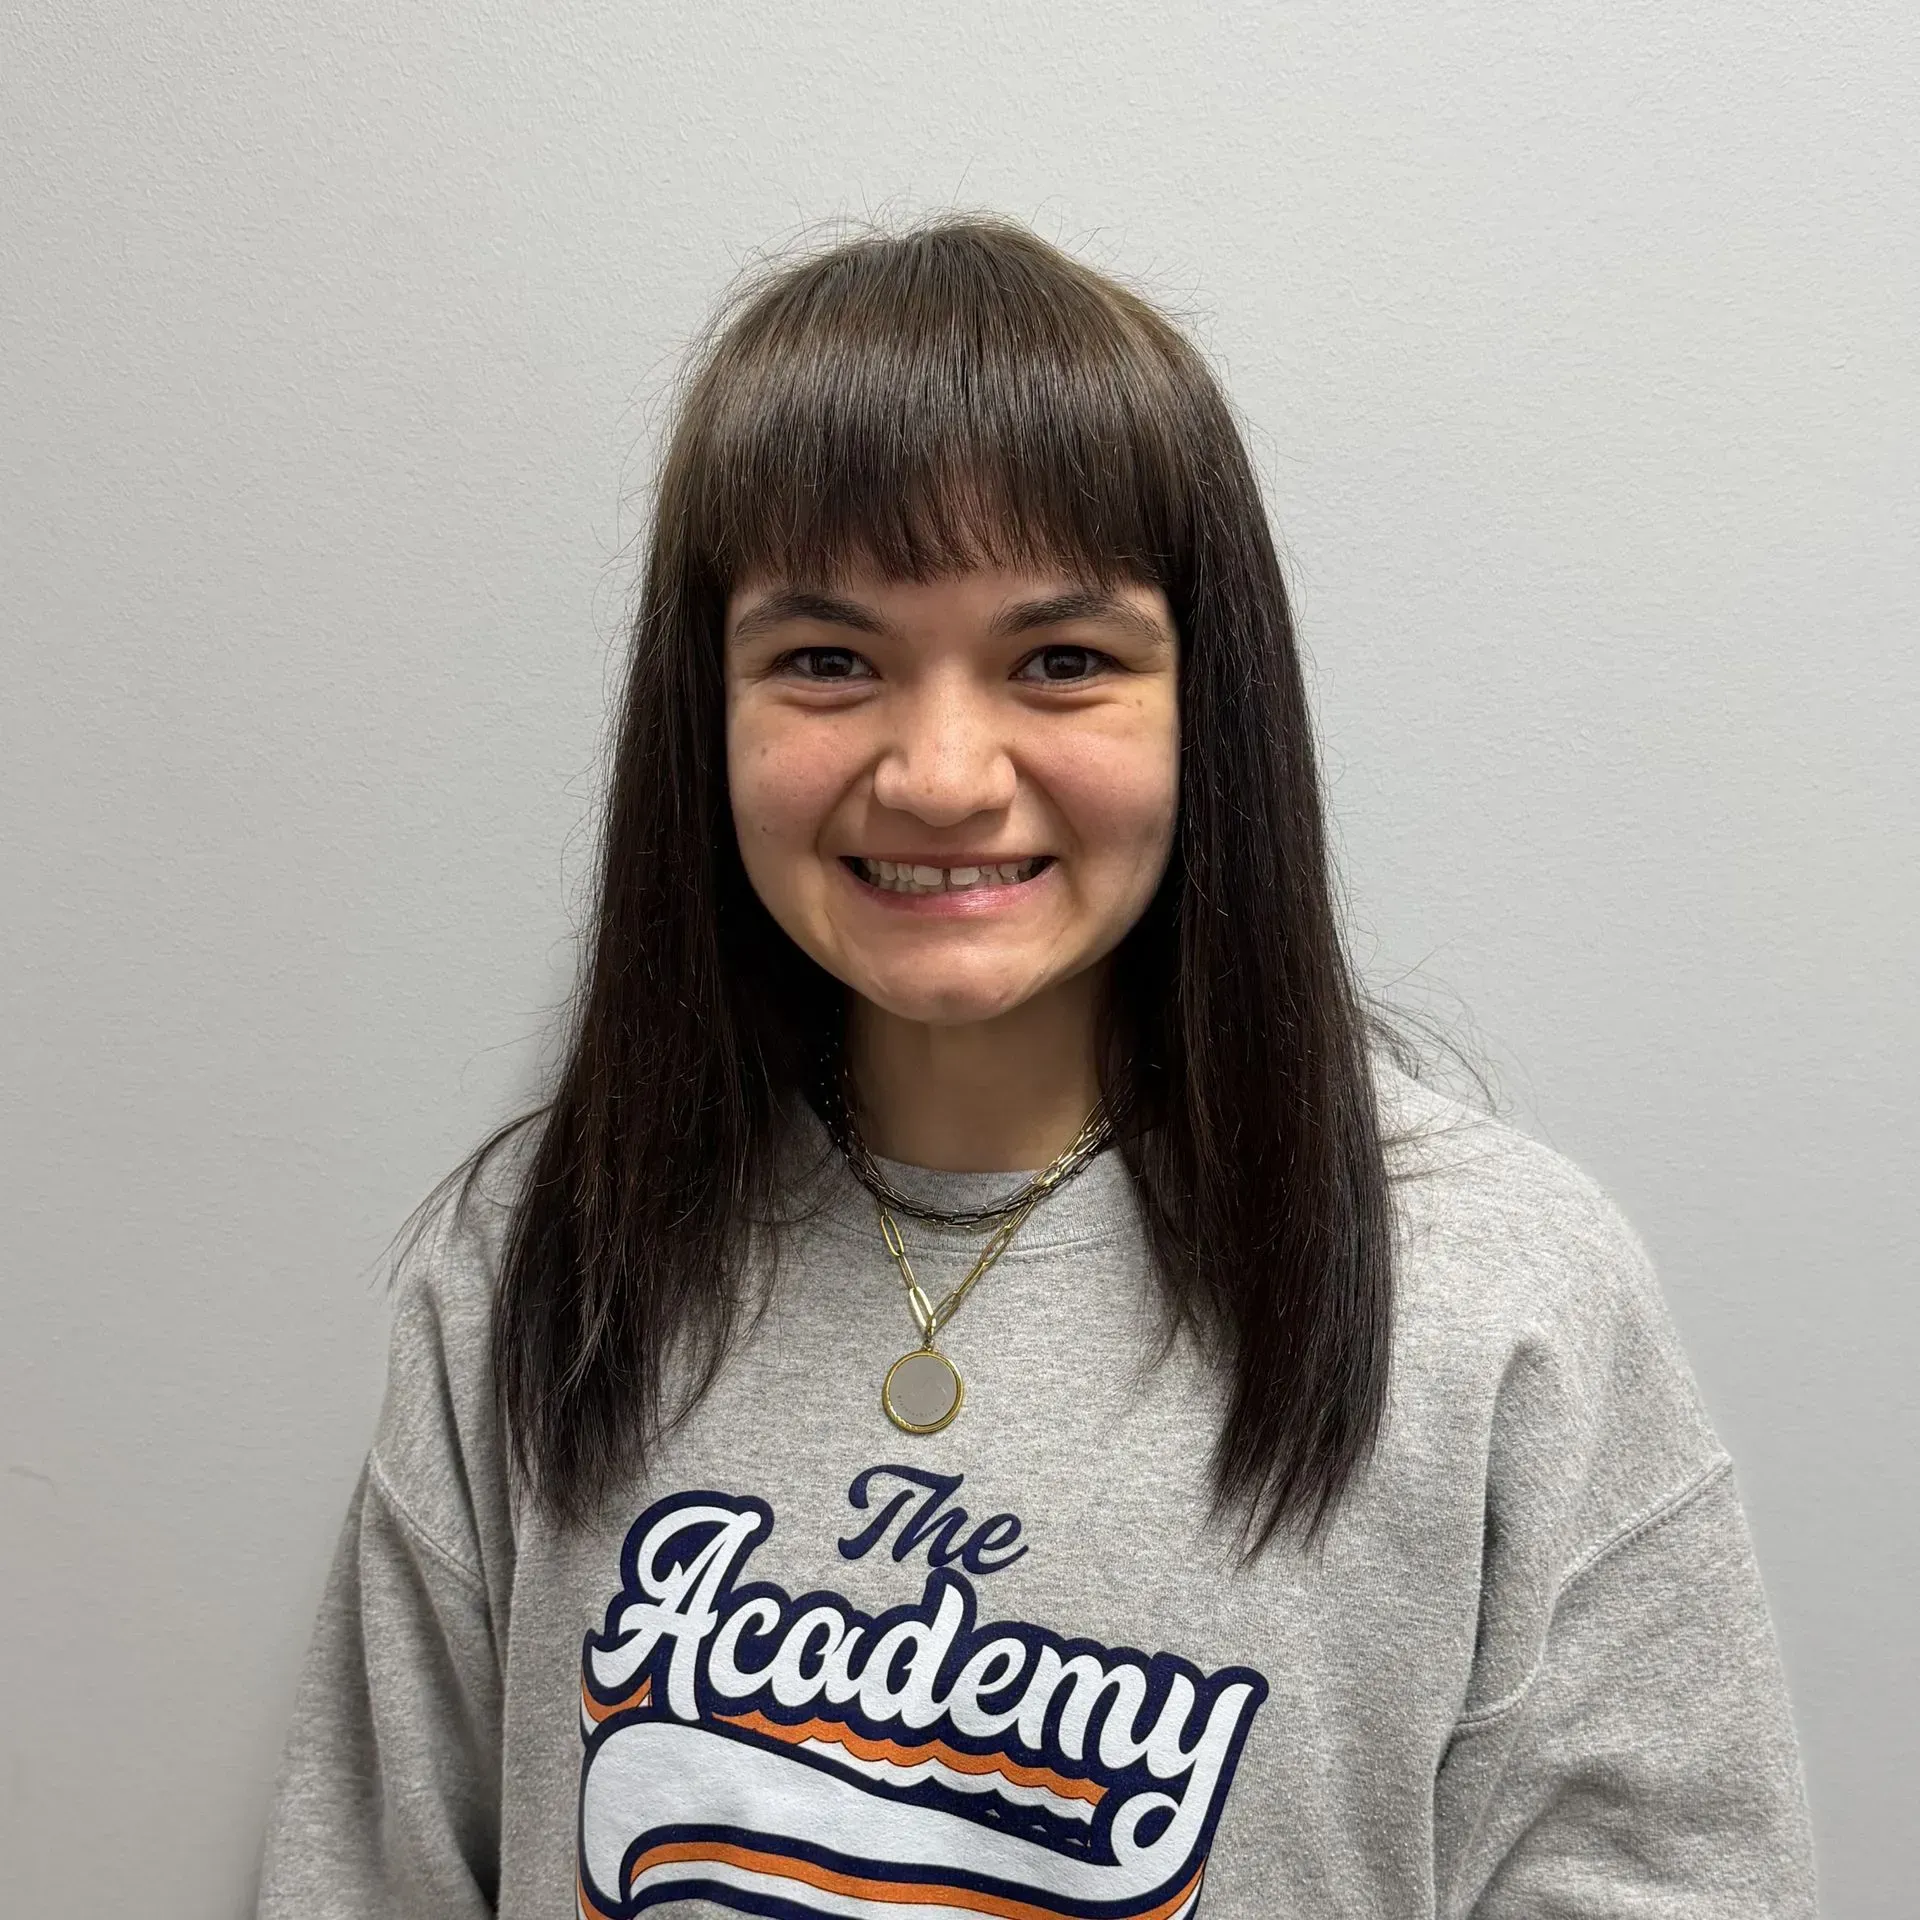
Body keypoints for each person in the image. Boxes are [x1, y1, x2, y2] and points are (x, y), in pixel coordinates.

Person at [254, 212, 1817, 1919]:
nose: (938, 771)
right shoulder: (532, 1265)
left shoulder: (1503, 1297)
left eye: (1060, 661)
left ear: (1202, 703)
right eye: (827, 660)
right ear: (704, 713)